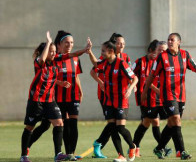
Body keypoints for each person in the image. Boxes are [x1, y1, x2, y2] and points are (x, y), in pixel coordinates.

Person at [20, 31, 89, 162]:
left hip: (50, 100)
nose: (53, 54)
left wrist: (85, 50)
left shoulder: (56, 60)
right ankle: (24, 155)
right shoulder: (39, 62)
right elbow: (42, 59)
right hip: (36, 100)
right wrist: (48, 43)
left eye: (53, 51)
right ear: (45, 52)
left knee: (59, 123)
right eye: (51, 51)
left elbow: (72, 54)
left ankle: (58, 154)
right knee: (30, 127)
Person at [142, 33, 196, 160]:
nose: (170, 41)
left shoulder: (185, 55)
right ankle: (182, 151)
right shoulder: (162, 57)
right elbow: (151, 75)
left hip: (181, 95)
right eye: (168, 40)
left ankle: (159, 148)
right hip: (167, 95)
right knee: (176, 120)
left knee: (172, 124)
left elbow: (194, 67)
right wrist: (145, 92)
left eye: (172, 40)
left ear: (179, 42)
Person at [87, 40, 138, 162]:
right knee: (112, 127)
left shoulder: (121, 63)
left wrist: (130, 89)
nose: (102, 53)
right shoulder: (105, 63)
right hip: (109, 100)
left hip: (121, 100)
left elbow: (135, 78)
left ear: (110, 51)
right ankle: (121, 155)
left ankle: (132, 146)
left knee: (120, 128)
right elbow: (95, 64)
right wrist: (89, 52)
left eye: (103, 51)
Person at [131, 40, 171, 157]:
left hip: (159, 99)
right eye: (157, 51)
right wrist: (131, 86)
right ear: (150, 51)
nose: (160, 53)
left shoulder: (162, 62)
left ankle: (138, 147)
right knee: (150, 122)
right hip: (146, 98)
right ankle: (137, 147)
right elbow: (130, 75)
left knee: (151, 122)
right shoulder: (140, 62)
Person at [54, 30, 84, 161]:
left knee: (74, 124)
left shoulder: (75, 58)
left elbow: (76, 75)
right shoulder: (55, 58)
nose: (69, 45)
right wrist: (59, 83)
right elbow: (48, 77)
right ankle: (64, 153)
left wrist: (81, 91)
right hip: (59, 97)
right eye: (66, 42)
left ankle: (72, 152)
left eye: (71, 42)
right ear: (59, 45)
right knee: (64, 125)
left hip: (73, 96)